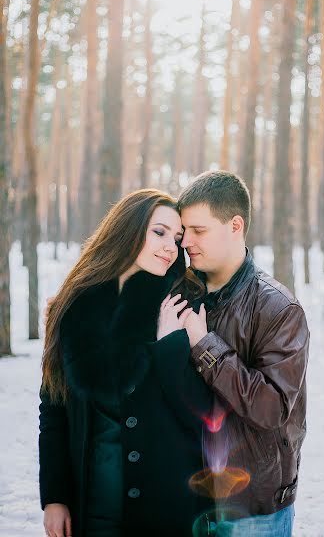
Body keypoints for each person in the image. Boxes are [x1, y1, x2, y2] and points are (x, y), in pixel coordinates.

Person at [39, 189, 213, 537]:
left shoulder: (182, 306)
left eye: (177, 238)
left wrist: (170, 346)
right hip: (93, 506)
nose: (170, 247)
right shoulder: (73, 306)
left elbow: (204, 416)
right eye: (159, 232)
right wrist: (54, 497)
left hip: (164, 510)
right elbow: (54, 409)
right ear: (127, 229)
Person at [177, 170, 310, 537]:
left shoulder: (279, 309)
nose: (186, 241)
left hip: (254, 511)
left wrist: (206, 348)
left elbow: (271, 408)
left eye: (198, 230)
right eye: (183, 230)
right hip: (187, 501)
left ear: (235, 225)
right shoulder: (180, 295)